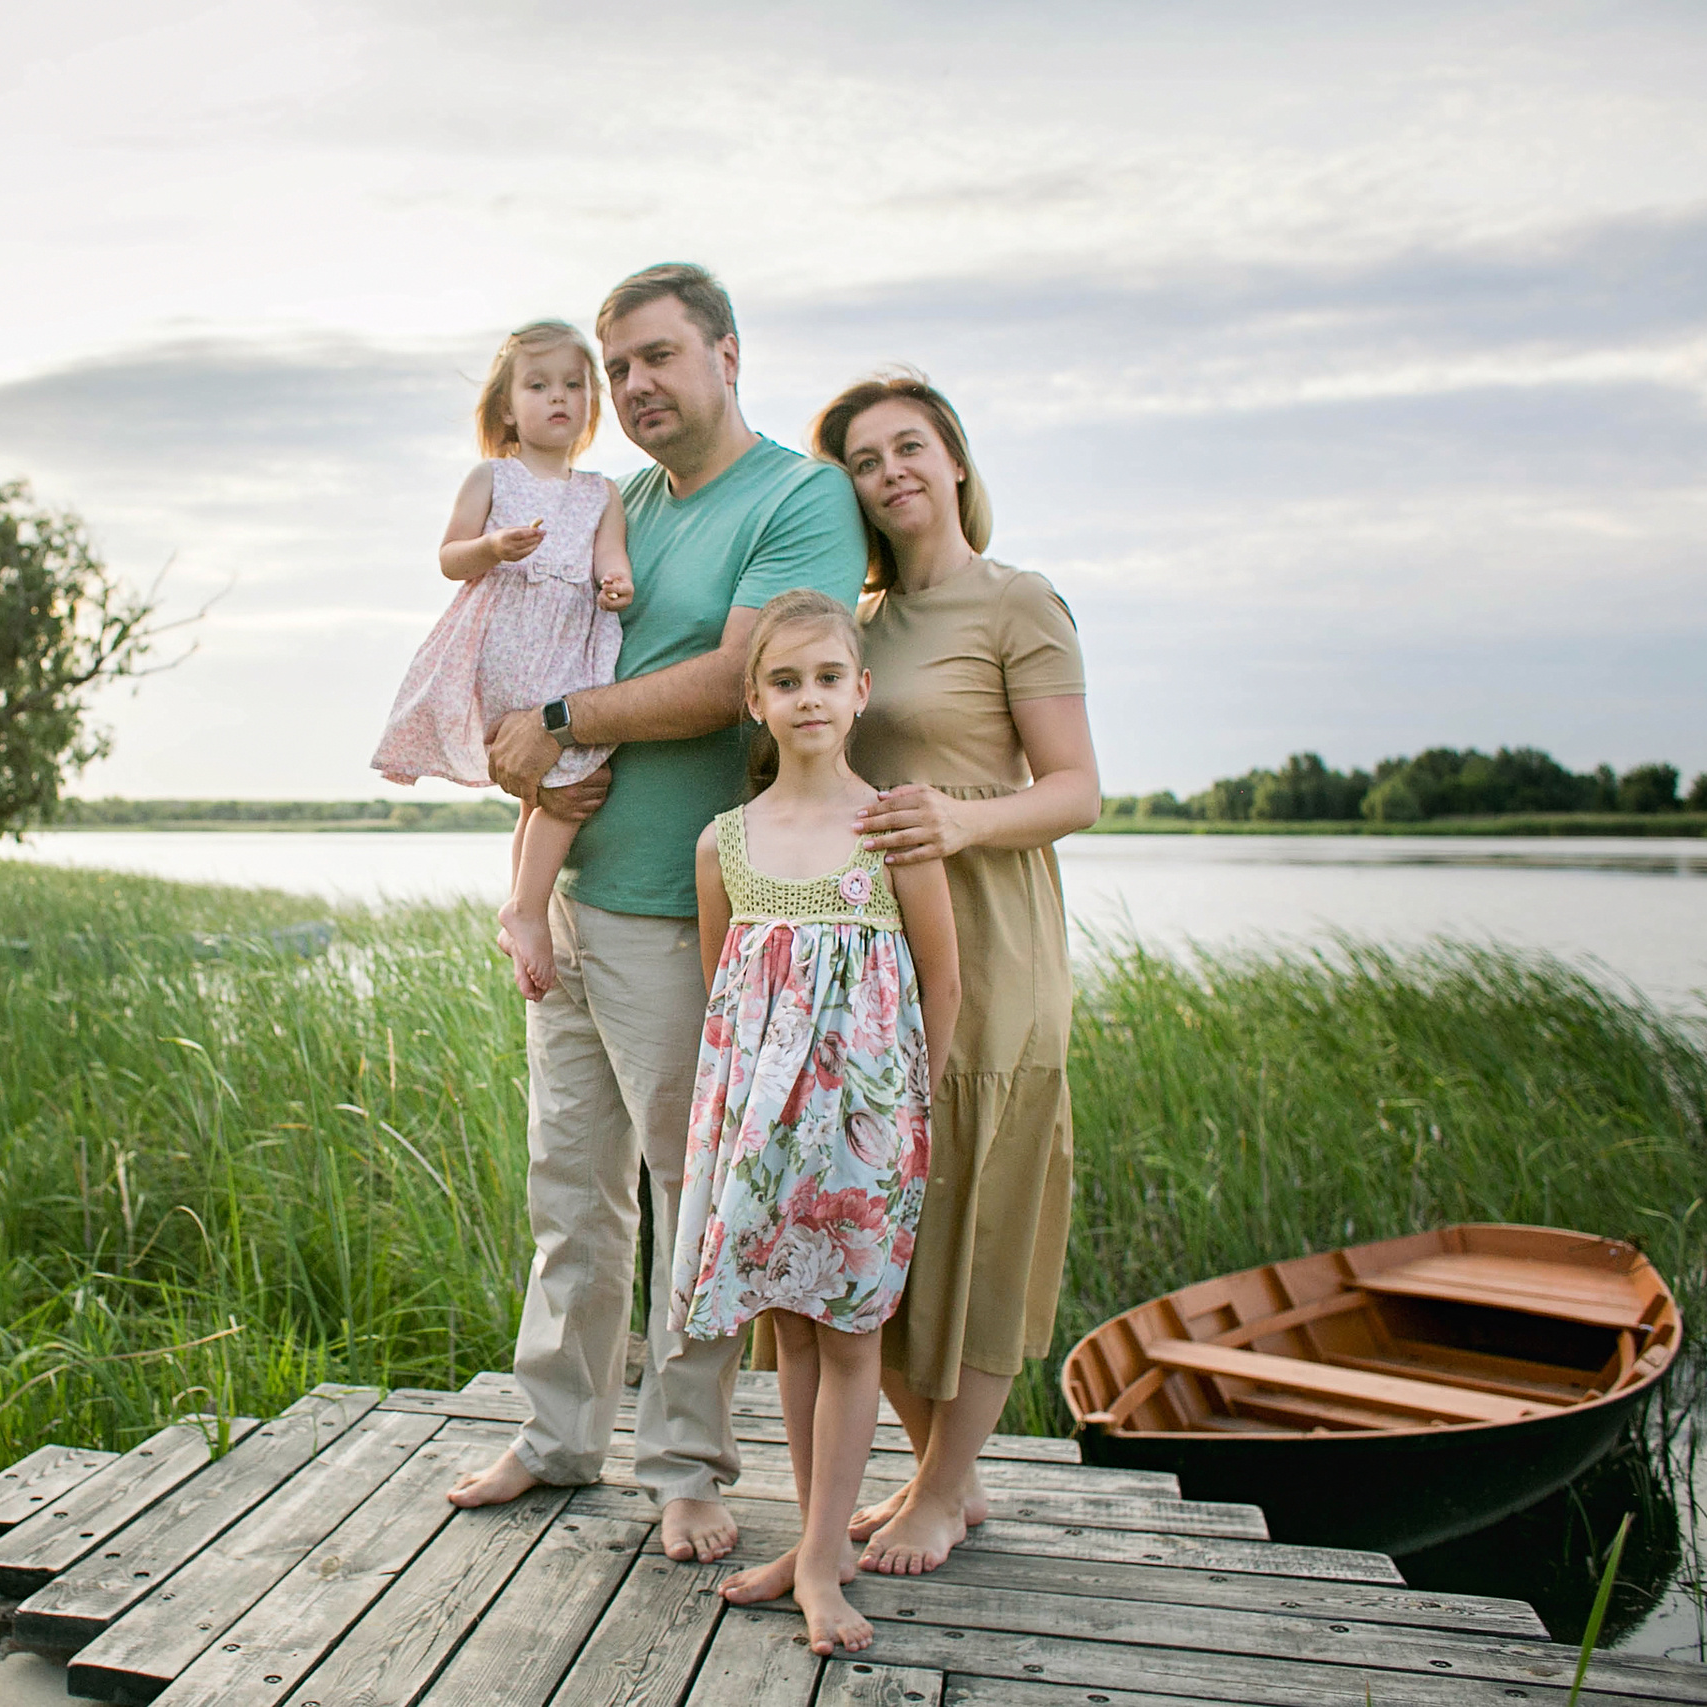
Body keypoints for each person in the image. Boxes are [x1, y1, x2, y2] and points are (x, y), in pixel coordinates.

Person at [446, 264, 865, 1567]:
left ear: (726, 356)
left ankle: (687, 1464)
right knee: (569, 1191)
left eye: (657, 358)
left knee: (695, 1199)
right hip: (568, 903)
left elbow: (739, 674)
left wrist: (564, 720)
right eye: (616, 365)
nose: (630, 387)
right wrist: (513, 746)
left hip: (687, 921)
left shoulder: (798, 499)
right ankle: (559, 1432)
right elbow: (526, 631)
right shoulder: (613, 498)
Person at [809, 369, 1101, 1576]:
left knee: (982, 1211)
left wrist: (961, 824)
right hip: (875, 955)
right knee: (888, 1216)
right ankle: (945, 1476)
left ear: (957, 459)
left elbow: (1077, 789)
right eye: (866, 461)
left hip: (997, 938)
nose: (891, 473)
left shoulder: (1015, 602)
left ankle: (941, 1486)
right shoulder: (850, 628)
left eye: (910, 447)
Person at [670, 590, 959, 1655]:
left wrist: (910, 1110)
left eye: (827, 678)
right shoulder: (724, 844)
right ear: (753, 700)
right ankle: (812, 1546)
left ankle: (826, 1568)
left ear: (860, 691)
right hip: (762, 1133)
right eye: (784, 681)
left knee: (850, 1334)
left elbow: (942, 979)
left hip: (868, 1132)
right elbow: (725, 994)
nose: (808, 699)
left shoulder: (891, 825)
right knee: (787, 1328)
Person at [372, 320, 635, 998]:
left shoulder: (602, 492)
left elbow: (610, 556)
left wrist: (616, 582)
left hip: (569, 641)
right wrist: (493, 548)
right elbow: (449, 556)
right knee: (569, 773)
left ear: (590, 404)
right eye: (540, 385)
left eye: (574, 386)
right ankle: (524, 907)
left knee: (536, 795)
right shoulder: (494, 476)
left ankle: (524, 906)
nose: (559, 398)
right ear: (507, 407)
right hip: (514, 642)